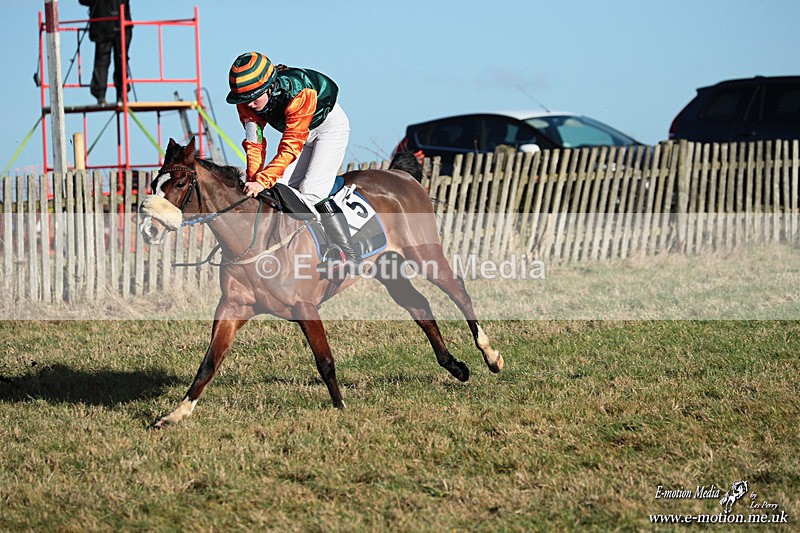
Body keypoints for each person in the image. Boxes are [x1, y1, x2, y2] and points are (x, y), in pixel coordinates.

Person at [226, 51, 356, 268]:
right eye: (243, 99)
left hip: (329, 128)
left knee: (312, 190)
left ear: (269, 87)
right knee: (278, 188)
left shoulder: (298, 93)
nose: (248, 105)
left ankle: (346, 254)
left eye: (253, 97)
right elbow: (255, 144)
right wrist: (255, 180)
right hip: (302, 135)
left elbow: (291, 146)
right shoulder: (246, 104)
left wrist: (264, 180)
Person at [78, 0, 132, 105]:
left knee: (108, 61)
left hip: (108, 25)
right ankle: (119, 93)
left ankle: (106, 94)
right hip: (114, 25)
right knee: (118, 60)